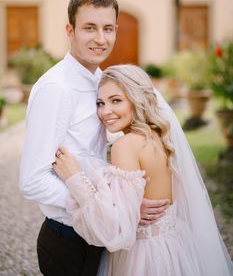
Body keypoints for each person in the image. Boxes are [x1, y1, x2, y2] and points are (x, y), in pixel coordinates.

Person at [19, 0, 168, 276]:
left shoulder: (102, 80)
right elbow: (32, 180)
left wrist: (124, 203)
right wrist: (108, 209)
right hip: (68, 239)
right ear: (70, 30)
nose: (101, 39)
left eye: (108, 28)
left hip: (100, 236)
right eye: (90, 28)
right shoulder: (56, 89)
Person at [53, 64, 233, 276]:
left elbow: (116, 229)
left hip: (143, 257)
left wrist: (75, 178)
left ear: (137, 99)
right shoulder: (158, 136)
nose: (105, 111)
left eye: (116, 100)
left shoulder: (126, 145)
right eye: (100, 103)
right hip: (172, 245)